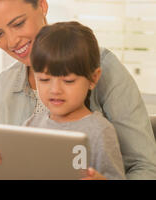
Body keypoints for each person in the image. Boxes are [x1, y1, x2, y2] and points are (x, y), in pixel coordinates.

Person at [0, 0, 156, 179]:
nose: (12, 41)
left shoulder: (105, 67)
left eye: (19, 23)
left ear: (42, 4)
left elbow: (145, 166)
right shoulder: (3, 87)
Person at [23, 21, 125, 180]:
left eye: (68, 81)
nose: (55, 90)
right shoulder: (31, 125)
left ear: (93, 78)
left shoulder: (100, 131)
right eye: (44, 80)